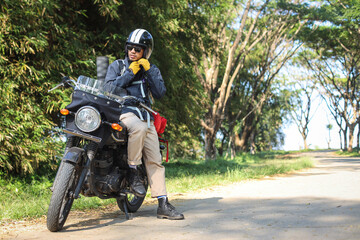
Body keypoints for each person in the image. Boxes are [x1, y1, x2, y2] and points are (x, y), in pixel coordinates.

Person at [104, 29, 184, 220]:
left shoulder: (151, 69)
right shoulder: (117, 66)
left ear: (145, 52)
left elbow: (159, 93)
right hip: (124, 114)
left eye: (138, 49)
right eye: (130, 47)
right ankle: (133, 171)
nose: (133, 51)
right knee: (137, 127)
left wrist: (148, 71)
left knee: (155, 160)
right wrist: (129, 73)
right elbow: (108, 89)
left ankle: (163, 204)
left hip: (146, 117)